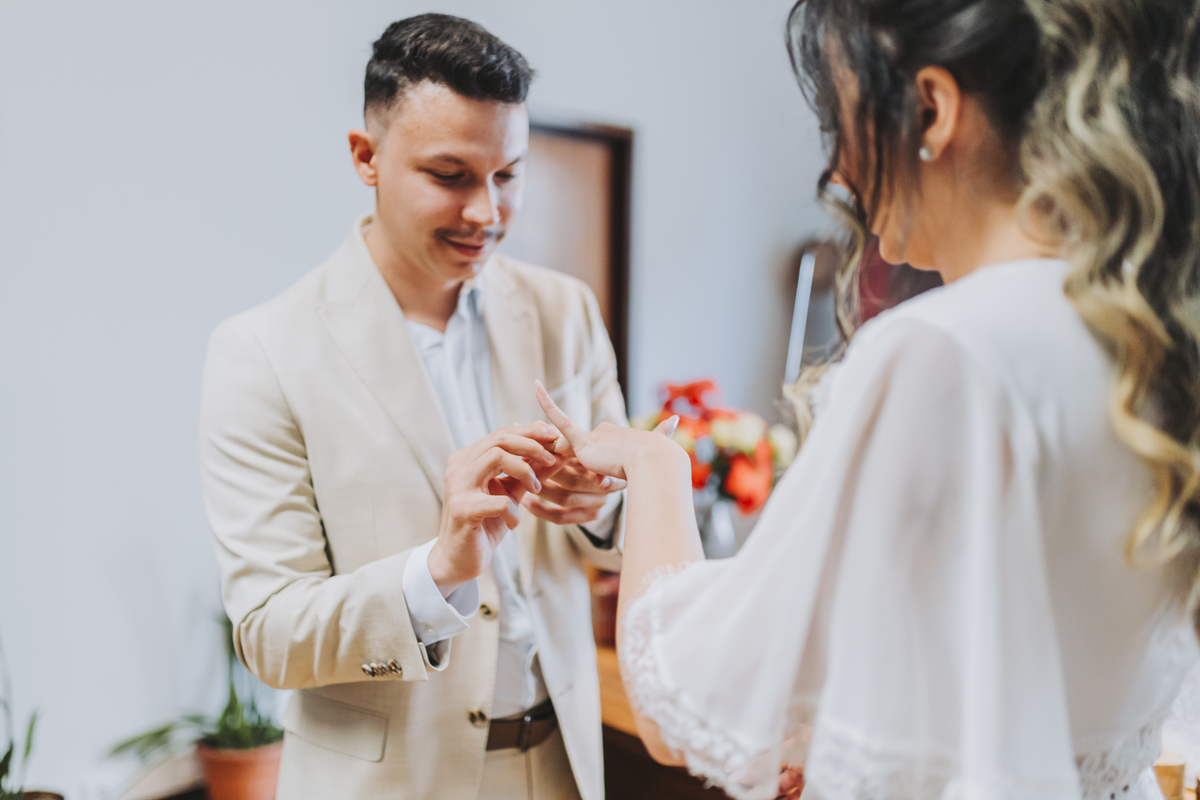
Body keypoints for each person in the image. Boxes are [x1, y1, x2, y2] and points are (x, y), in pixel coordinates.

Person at [534, 0, 1200, 798]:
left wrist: (653, 461)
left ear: (931, 109)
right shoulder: (1156, 347)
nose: (837, 173)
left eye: (837, 120)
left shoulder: (946, 350)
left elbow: (686, 695)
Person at [199, 14, 628, 800]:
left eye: (508, 175)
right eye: (451, 175)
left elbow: (620, 536)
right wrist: (436, 572)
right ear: (366, 157)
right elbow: (267, 631)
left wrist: (603, 505)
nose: (486, 214)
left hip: (563, 762)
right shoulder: (261, 351)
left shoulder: (566, 310)